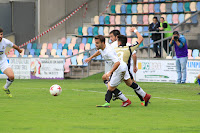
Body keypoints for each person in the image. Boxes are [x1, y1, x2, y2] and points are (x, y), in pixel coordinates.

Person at [85, 34, 151, 107]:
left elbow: (117, 63)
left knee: (110, 87)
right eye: (95, 43)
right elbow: (99, 51)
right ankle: (145, 95)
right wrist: (90, 57)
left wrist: (110, 72)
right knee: (129, 83)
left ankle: (109, 103)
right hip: (123, 66)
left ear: (102, 43)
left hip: (119, 68)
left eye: (97, 43)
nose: (96, 45)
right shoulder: (104, 46)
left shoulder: (108, 52)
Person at [108, 29, 145, 106]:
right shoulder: (127, 44)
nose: (110, 38)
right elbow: (134, 55)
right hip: (125, 68)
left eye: (111, 36)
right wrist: (135, 66)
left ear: (116, 37)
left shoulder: (112, 46)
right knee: (133, 84)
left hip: (118, 69)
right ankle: (143, 99)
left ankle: (116, 96)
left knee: (109, 83)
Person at [0, 28, 22, 97]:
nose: (0, 36)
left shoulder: (5, 41)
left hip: (2, 62)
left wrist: (19, 50)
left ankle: (5, 87)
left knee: (11, 76)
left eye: (1, 34)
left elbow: (13, 45)